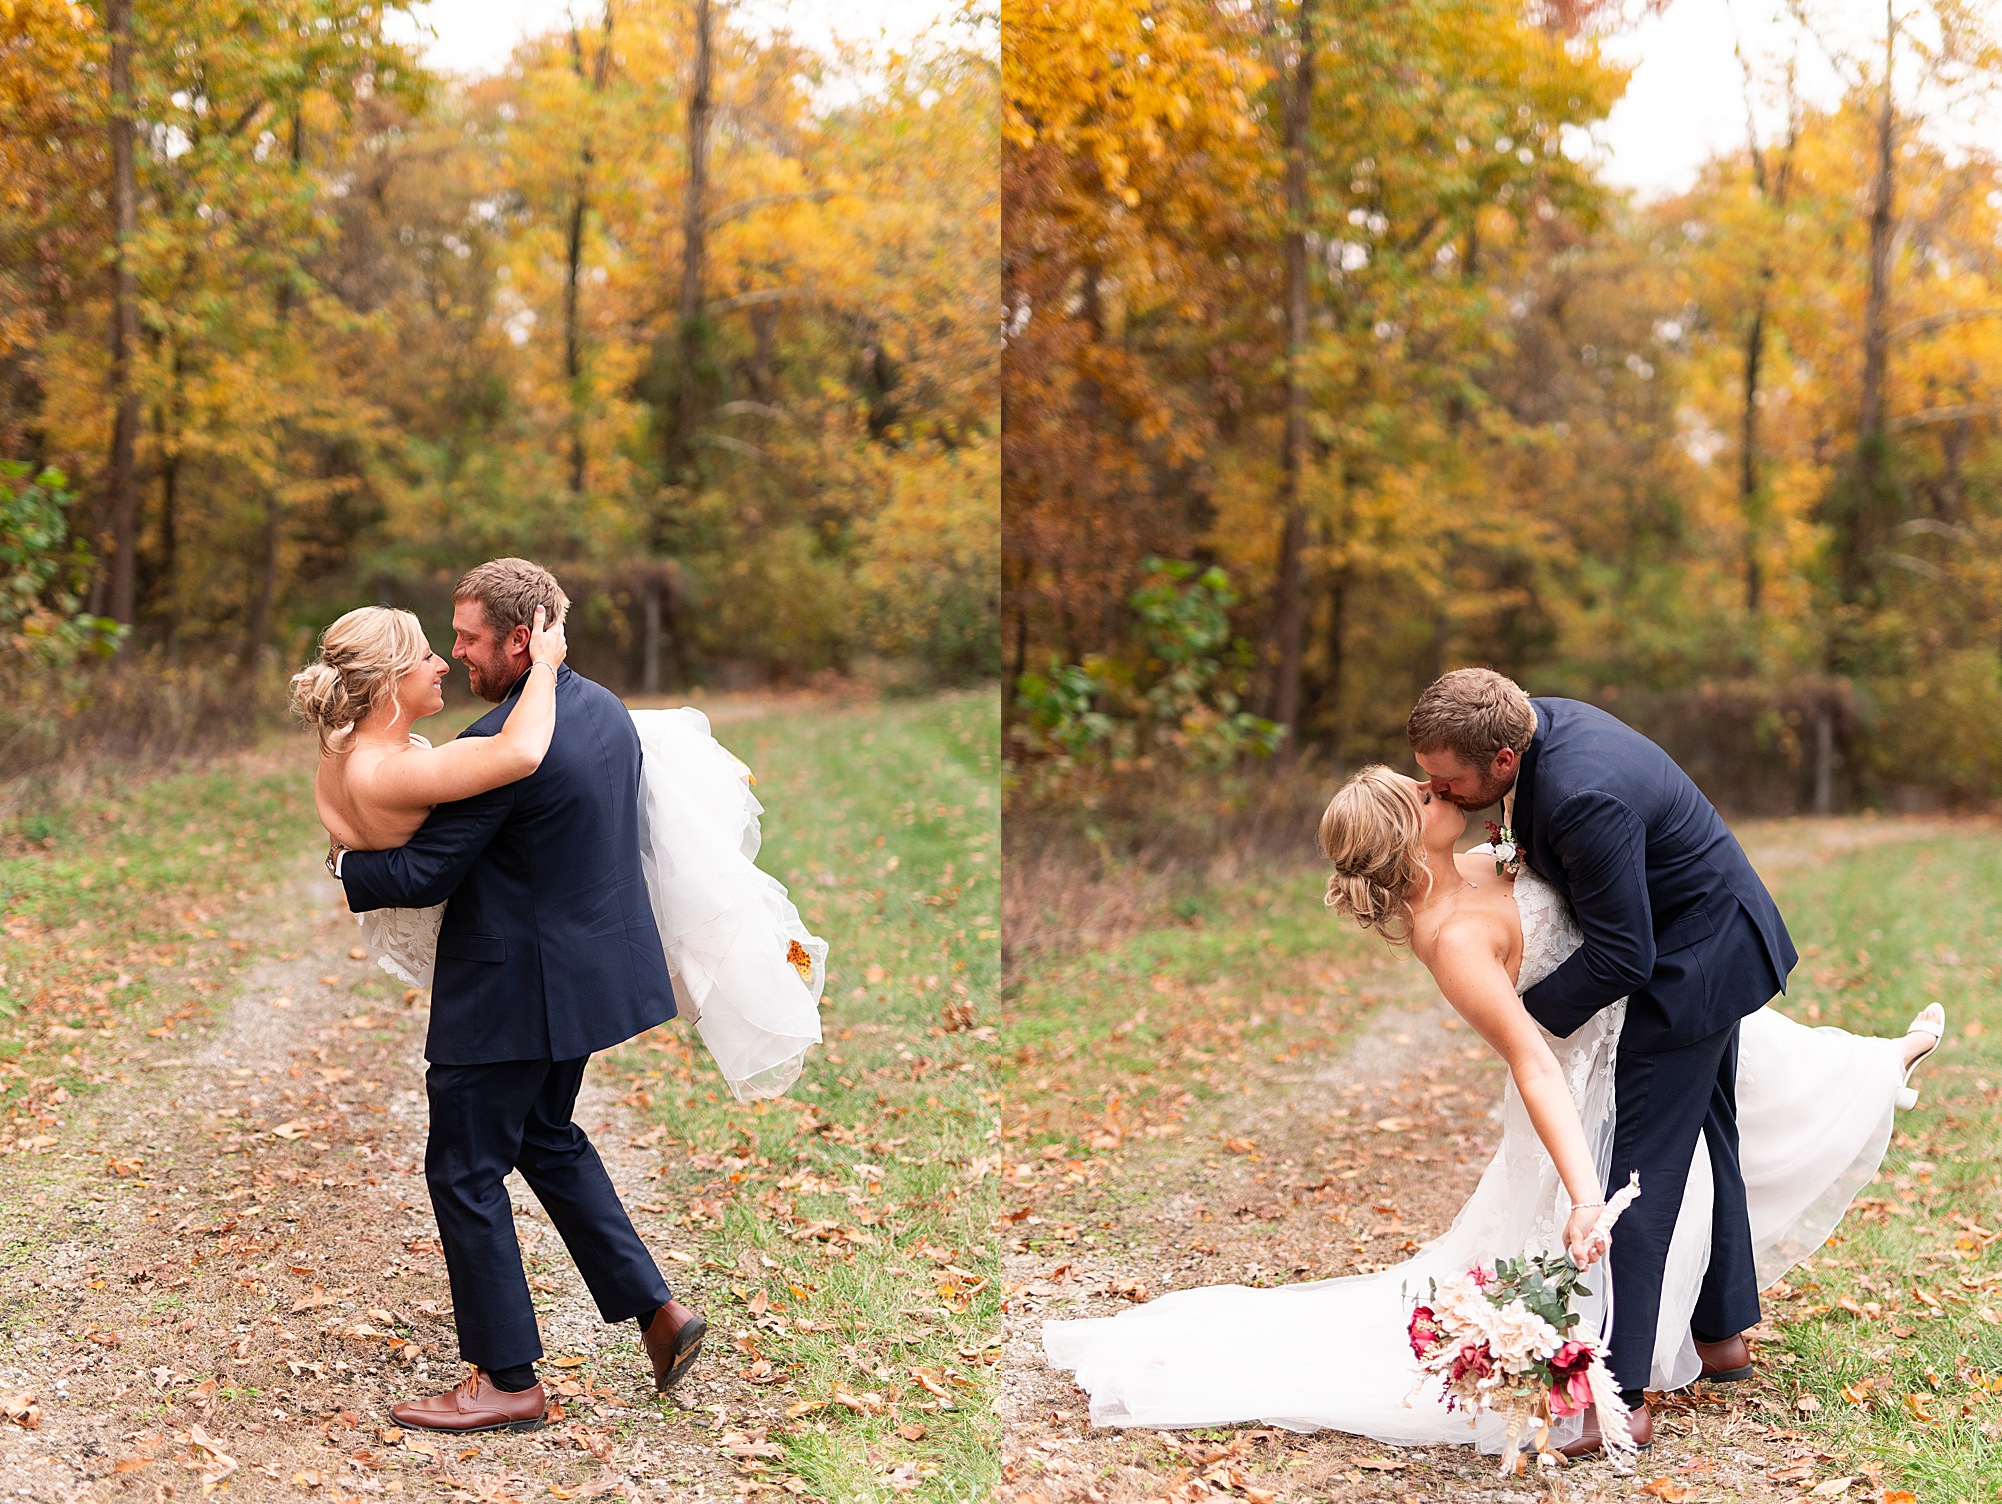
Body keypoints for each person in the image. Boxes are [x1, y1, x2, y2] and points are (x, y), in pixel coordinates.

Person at [1042, 675, 1940, 1456]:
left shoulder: (1548, 805)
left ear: (1505, 755)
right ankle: (1674, 1363)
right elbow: (1538, 998)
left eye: (1444, 780)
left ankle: (1648, 1375)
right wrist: (1533, 1033)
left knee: (1661, 1164)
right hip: (1647, 975)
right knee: (1656, 1166)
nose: (1438, 789)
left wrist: (1542, 1024)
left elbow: (1613, 946)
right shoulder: (1496, 802)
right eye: (1425, 786)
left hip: (1688, 961)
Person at [292, 559, 818, 1433]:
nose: (457, 653)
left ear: (520, 639)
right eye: (446, 640)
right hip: (585, 979)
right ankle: (657, 1311)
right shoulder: (601, 707)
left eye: (468, 638)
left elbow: (423, 872)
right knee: (544, 1135)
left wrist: (345, 866)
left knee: (463, 1170)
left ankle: (506, 1380)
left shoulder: (499, 750)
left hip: (509, 992)